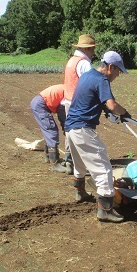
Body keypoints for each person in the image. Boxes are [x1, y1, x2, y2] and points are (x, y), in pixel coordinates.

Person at [65, 51, 131, 222]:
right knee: (103, 168)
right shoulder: (102, 80)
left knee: (79, 162)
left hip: (71, 127)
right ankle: (105, 209)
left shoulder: (87, 75)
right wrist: (124, 113)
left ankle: (79, 192)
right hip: (83, 128)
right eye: (118, 72)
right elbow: (111, 104)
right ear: (111, 67)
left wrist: (107, 112)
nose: (117, 75)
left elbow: (92, 100)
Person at [62, 34, 97, 174]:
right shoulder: (84, 63)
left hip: (69, 101)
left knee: (70, 132)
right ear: (86, 49)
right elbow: (91, 83)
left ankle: (69, 161)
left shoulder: (72, 60)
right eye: (92, 49)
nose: (93, 52)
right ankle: (80, 164)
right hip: (78, 103)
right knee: (82, 133)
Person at [30, 84, 68, 173]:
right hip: (40, 105)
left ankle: (47, 156)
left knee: (49, 130)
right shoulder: (68, 94)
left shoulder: (68, 89)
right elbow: (63, 115)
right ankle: (55, 164)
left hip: (39, 102)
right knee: (51, 130)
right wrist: (66, 130)